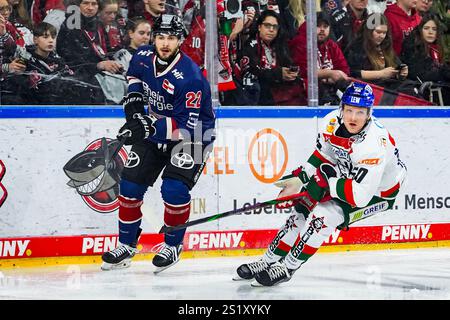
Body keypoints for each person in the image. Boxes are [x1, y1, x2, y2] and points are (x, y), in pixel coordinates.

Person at [234, 81, 407, 287]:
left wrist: (325, 184)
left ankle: (288, 267)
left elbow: (360, 196)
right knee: (301, 210)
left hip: (378, 193)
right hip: (346, 176)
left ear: (369, 113)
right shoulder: (332, 121)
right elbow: (323, 154)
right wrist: (302, 178)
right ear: (341, 108)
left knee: (324, 216)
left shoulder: (373, 145)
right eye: (349, 110)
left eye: (360, 112)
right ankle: (267, 261)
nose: (352, 117)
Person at [101, 14, 215, 273]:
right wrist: (134, 114)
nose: (165, 43)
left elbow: (185, 126)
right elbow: (135, 83)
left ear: (181, 41)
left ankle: (172, 245)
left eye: (171, 38)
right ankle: (127, 245)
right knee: (129, 186)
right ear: (154, 38)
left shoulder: (191, 77)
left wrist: (147, 126)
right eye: (161, 37)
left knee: (174, 190)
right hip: (156, 130)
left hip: (194, 136)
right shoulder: (142, 56)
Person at [236, 10, 305, 106]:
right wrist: (278, 73)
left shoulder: (280, 45)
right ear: (259, 27)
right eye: (267, 26)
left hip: (279, 94)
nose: (271, 30)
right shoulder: (251, 45)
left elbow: (288, 64)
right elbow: (252, 72)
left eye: (275, 27)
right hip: (259, 97)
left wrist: (291, 73)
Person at [401, 14, 450, 104]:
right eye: (426, 28)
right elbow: (421, 74)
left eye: (434, 29)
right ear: (420, 30)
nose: (430, 32)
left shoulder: (436, 47)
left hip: (436, 88)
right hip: (421, 91)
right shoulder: (413, 46)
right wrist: (444, 72)